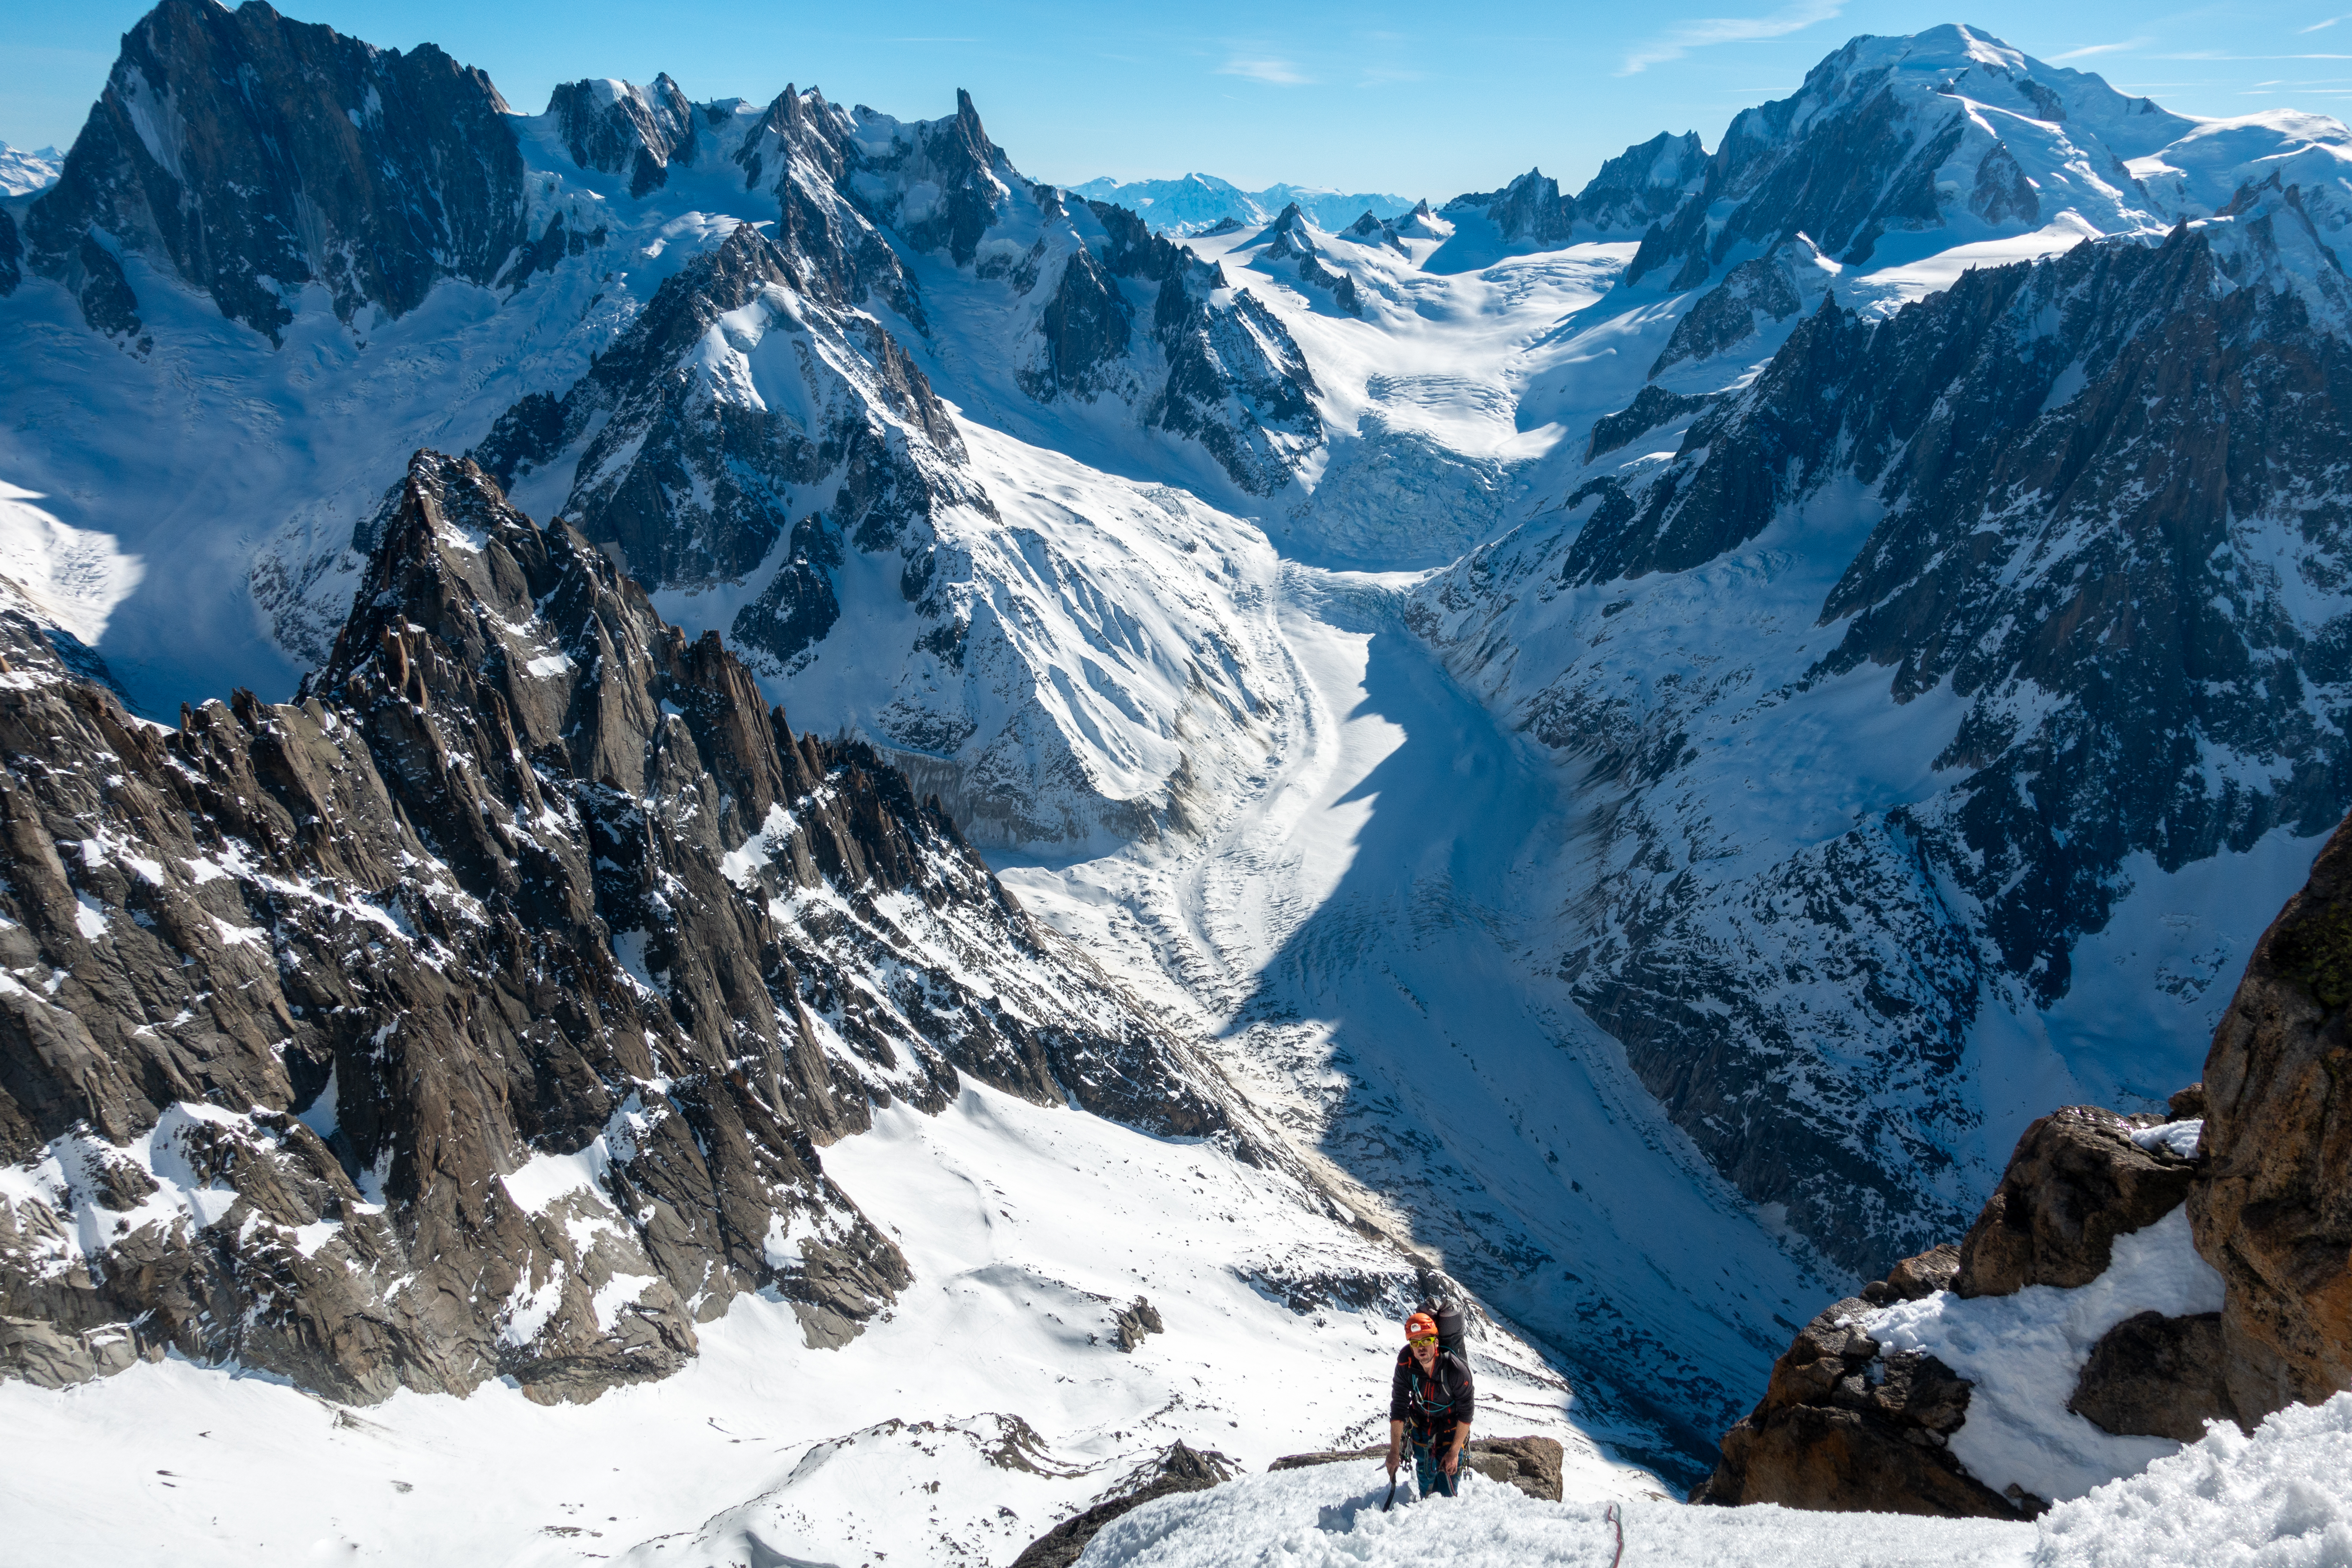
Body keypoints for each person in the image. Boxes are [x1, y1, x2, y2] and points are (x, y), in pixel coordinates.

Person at [1386, 1310, 1473, 1498]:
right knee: (1426, 1483)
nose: (1421, 1347)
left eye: (1426, 1340)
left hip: (1452, 1432)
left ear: (1437, 1342)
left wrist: (1455, 1451)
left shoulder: (1455, 1370)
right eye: (1415, 1343)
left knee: (1448, 1488)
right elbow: (1399, 1406)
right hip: (1422, 1429)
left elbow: (1466, 1413)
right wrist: (1394, 1452)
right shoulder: (1405, 1364)